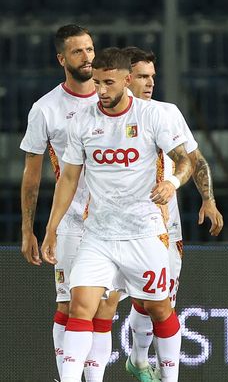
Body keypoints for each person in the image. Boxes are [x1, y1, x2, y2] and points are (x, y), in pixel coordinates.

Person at [40, 47, 191, 382]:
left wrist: (172, 183)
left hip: (145, 232)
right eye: (97, 83)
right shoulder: (82, 121)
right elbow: (68, 178)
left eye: (108, 82)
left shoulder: (152, 117)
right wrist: (51, 228)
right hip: (99, 235)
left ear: (126, 80)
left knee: (160, 309)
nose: (101, 90)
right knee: (81, 305)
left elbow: (186, 160)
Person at [18, 24, 120, 382]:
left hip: (116, 221)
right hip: (72, 222)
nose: (87, 57)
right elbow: (32, 176)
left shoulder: (113, 97)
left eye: (90, 49)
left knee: (104, 309)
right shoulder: (45, 109)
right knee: (70, 304)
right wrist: (28, 229)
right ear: (62, 58)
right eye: (78, 52)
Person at [120, 46, 224, 381]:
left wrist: (208, 198)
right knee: (104, 303)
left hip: (166, 224)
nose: (150, 83)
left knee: (158, 303)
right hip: (115, 225)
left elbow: (193, 158)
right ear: (124, 78)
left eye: (153, 76)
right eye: (142, 76)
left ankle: (138, 360)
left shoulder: (167, 112)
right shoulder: (105, 115)